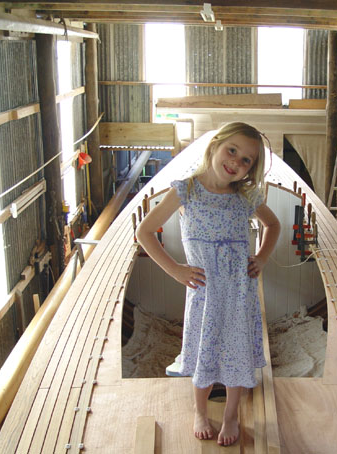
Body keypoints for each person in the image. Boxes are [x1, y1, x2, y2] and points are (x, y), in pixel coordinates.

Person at [136, 122, 280, 446]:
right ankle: (200, 412)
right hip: (204, 293)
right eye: (232, 150)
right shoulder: (186, 190)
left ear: (250, 169)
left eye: (246, 160)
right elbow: (144, 232)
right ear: (215, 146)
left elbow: (273, 224)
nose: (236, 161)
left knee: (236, 354)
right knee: (204, 350)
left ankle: (231, 416)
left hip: (240, 294)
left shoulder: (245, 196)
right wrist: (175, 270)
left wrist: (262, 257)